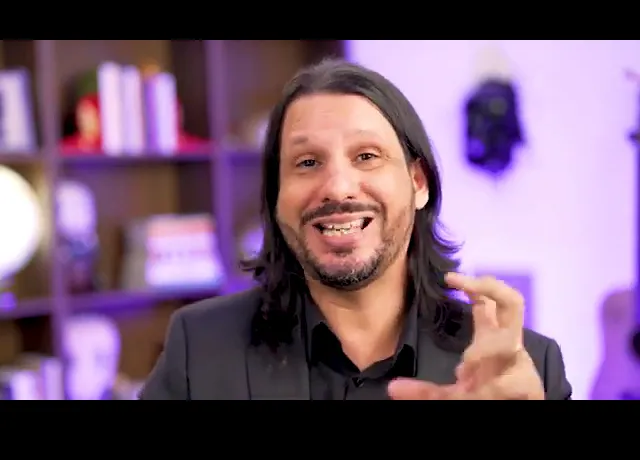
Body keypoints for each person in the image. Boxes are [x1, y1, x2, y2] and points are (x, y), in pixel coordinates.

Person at [140, 59, 572, 400]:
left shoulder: (526, 369)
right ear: (276, 197)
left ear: (418, 183)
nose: (337, 187)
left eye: (367, 156)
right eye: (307, 162)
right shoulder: (199, 348)